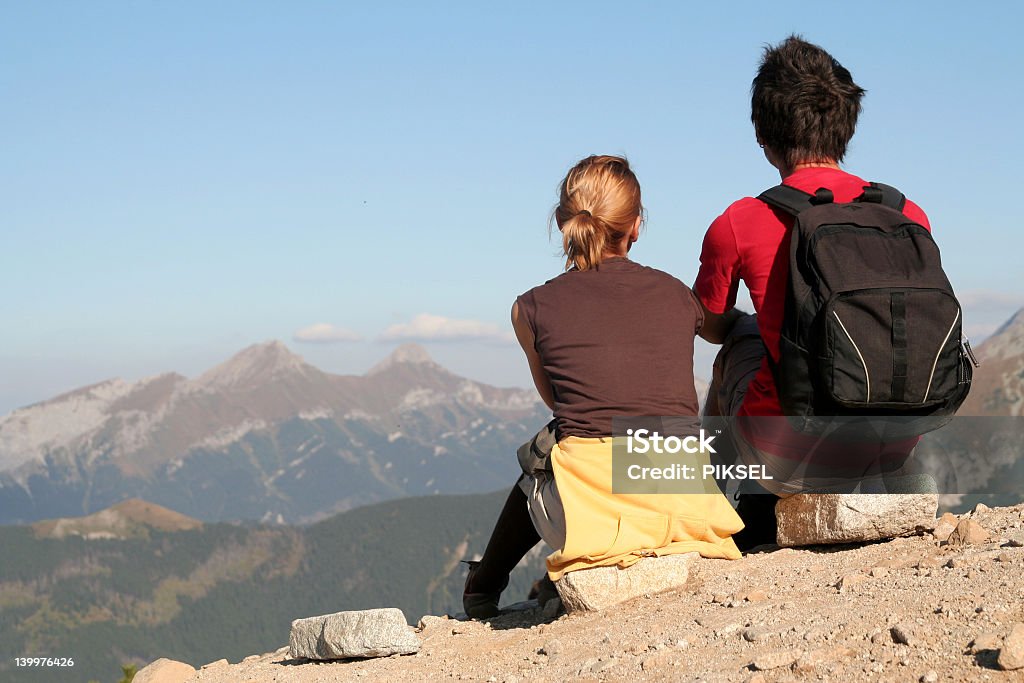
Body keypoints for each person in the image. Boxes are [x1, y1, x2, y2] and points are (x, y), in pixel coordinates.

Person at [464, 155, 743, 619]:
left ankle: (483, 586)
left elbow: (559, 402)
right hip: (683, 502)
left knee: (538, 459)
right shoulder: (678, 295)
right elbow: (722, 328)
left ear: (561, 221)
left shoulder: (529, 308)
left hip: (591, 508)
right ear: (636, 226)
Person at [694, 36, 934, 550]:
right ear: (847, 124)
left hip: (790, 453)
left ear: (764, 134)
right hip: (896, 444)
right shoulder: (906, 213)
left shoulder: (741, 221)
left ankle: (710, 507)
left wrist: (748, 322)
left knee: (742, 337)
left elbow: (709, 327)